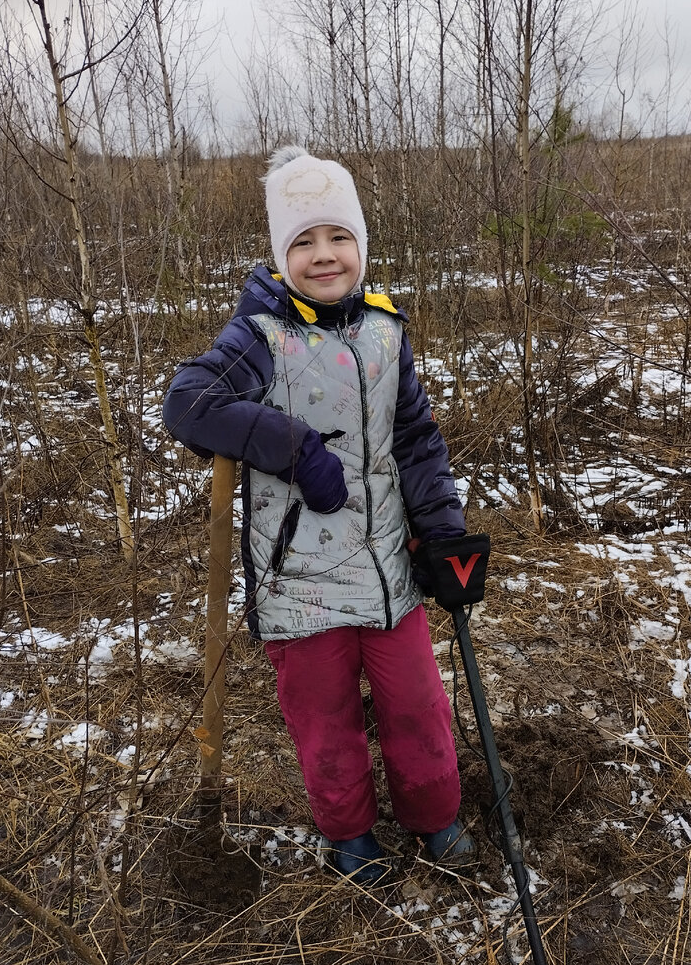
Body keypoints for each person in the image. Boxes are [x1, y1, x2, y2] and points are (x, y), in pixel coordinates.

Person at [162, 146, 476, 886]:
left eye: (338, 236)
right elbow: (190, 404)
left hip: (388, 570)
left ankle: (437, 818)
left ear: (361, 244)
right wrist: (295, 450)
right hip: (297, 580)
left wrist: (445, 529)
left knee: (417, 706)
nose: (324, 255)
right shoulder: (261, 334)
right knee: (325, 720)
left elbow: (415, 440)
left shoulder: (386, 330)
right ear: (280, 255)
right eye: (302, 241)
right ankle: (350, 837)